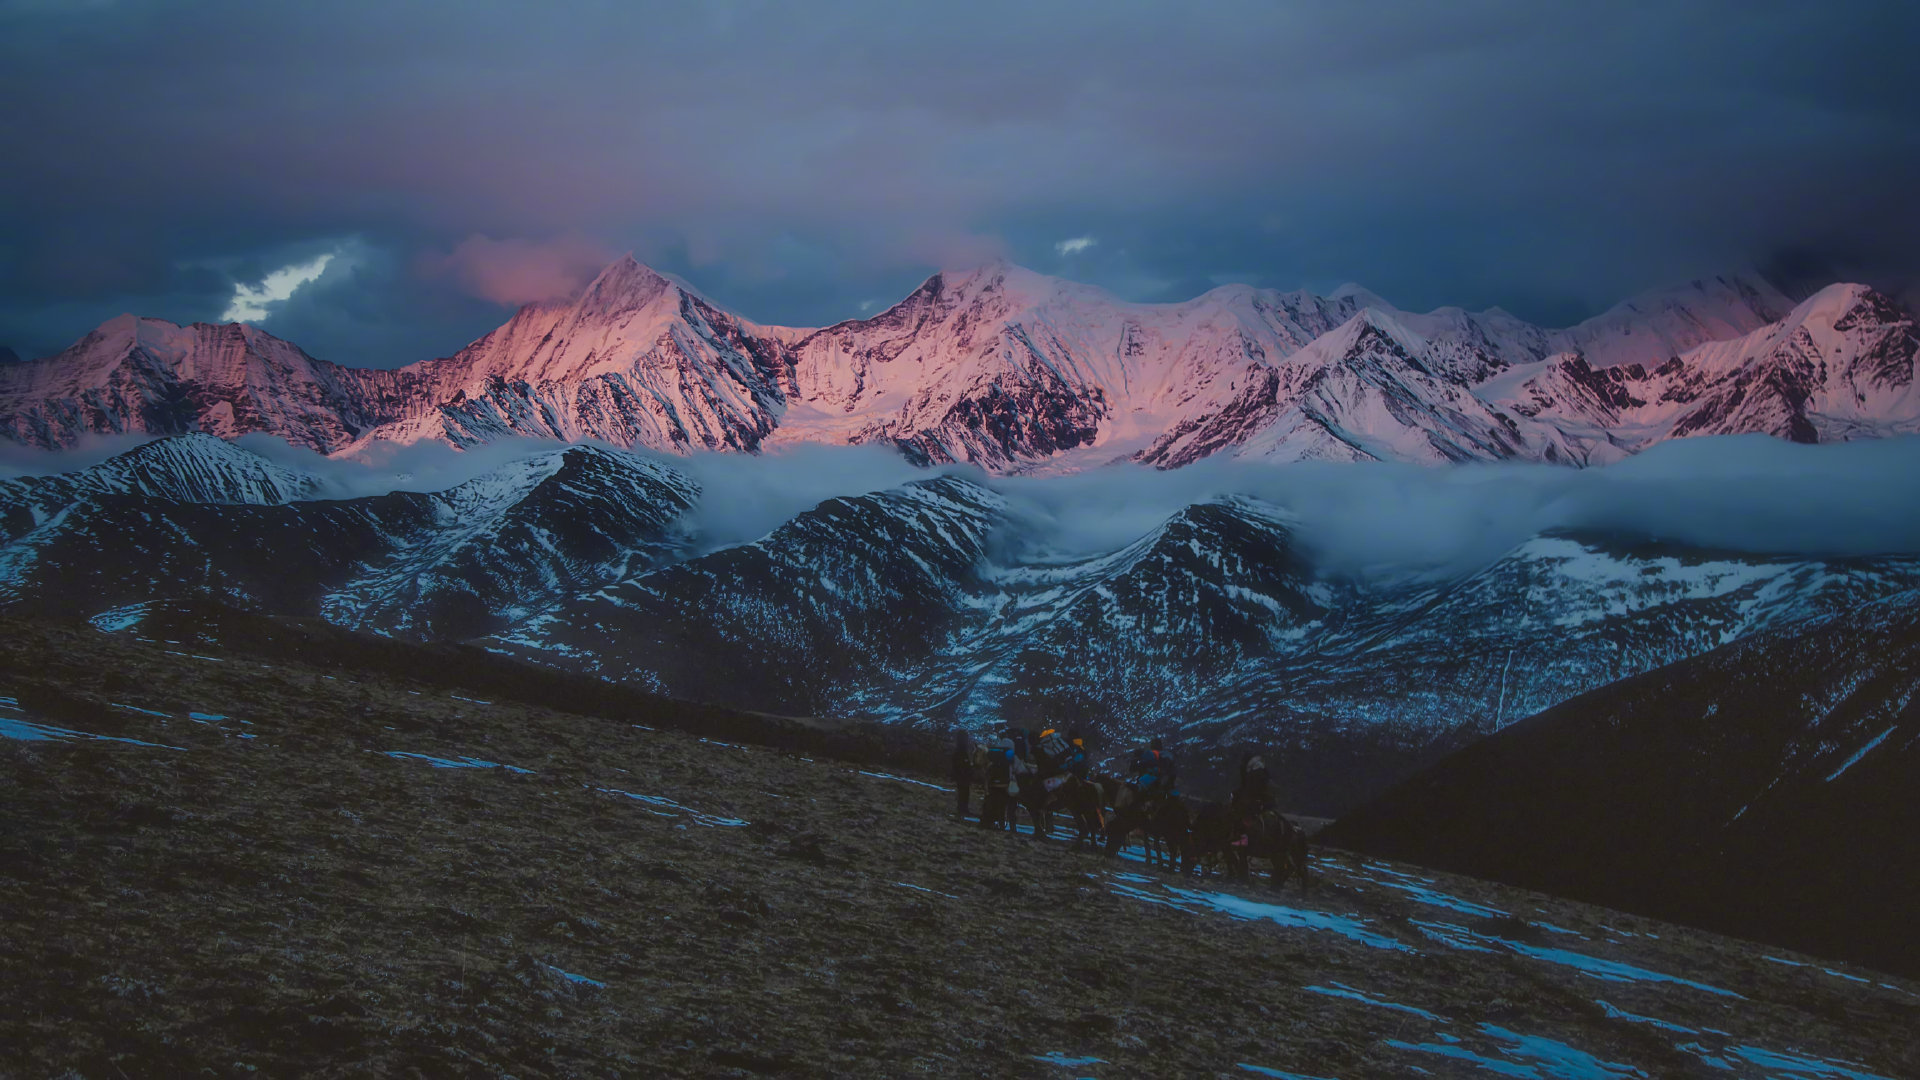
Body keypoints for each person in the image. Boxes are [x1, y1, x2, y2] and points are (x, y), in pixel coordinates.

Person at [978, 732, 1017, 832]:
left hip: (993, 784)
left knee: (992, 804)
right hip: (1005, 785)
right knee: (1005, 807)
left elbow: (987, 769)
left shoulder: (993, 754)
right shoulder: (1010, 755)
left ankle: (989, 822)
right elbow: (1015, 768)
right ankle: (1006, 826)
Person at [950, 727, 977, 819]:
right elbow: (960, 763)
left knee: (964, 792)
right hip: (963, 775)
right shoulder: (961, 751)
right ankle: (962, 809)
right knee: (963, 792)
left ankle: (963, 809)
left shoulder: (959, 750)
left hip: (962, 775)